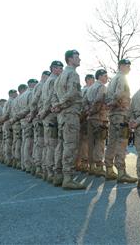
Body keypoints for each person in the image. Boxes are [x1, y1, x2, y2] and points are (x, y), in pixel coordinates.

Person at [52, 50, 86, 189]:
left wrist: (57, 106)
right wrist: (60, 105)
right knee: (70, 146)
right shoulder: (72, 73)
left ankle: (58, 176)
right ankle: (68, 178)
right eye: (77, 57)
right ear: (70, 59)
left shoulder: (60, 76)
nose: (80, 59)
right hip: (70, 114)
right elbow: (72, 93)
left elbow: (54, 95)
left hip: (62, 115)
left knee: (61, 145)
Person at [104, 59, 137, 183]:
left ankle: (108, 169)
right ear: (121, 66)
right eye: (128, 66)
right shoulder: (122, 78)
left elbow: (107, 97)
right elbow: (118, 94)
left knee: (112, 142)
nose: (129, 68)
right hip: (121, 114)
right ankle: (121, 172)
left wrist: (110, 105)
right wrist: (115, 103)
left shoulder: (112, 79)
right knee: (121, 143)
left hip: (113, 115)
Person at [39, 62, 63, 183]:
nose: (61, 70)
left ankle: (46, 171)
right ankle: (52, 172)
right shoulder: (54, 80)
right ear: (53, 69)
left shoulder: (47, 81)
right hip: (51, 115)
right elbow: (50, 99)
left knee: (48, 145)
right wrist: (47, 110)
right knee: (53, 145)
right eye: (59, 68)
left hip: (47, 115)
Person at [86, 69, 109, 177]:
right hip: (99, 117)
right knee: (100, 143)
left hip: (90, 118)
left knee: (91, 143)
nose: (106, 78)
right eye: (105, 76)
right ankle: (99, 167)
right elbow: (99, 100)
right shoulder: (101, 87)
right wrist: (93, 111)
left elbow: (84, 102)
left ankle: (91, 166)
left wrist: (88, 112)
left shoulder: (90, 88)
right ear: (99, 76)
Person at [28, 70, 50, 176]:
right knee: (41, 143)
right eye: (47, 76)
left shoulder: (38, 86)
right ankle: (38, 167)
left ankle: (36, 166)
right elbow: (35, 102)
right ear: (43, 76)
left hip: (39, 115)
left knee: (38, 142)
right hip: (41, 116)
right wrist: (34, 114)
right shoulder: (41, 86)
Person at [75, 74, 95, 173]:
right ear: (87, 80)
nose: (93, 81)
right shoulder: (88, 90)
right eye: (92, 80)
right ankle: (86, 163)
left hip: (81, 117)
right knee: (87, 142)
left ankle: (80, 163)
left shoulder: (82, 90)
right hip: (86, 117)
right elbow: (86, 104)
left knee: (82, 142)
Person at [10, 84, 28, 169]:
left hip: (18, 121)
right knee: (22, 142)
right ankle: (23, 163)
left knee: (18, 142)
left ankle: (18, 161)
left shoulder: (15, 100)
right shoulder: (22, 97)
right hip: (22, 120)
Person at [1, 89, 18, 166]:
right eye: (15, 93)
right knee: (9, 142)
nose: (17, 94)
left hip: (6, 123)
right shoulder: (11, 102)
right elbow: (7, 114)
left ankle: (7, 159)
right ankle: (9, 159)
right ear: (11, 94)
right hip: (9, 122)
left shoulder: (7, 102)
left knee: (7, 141)